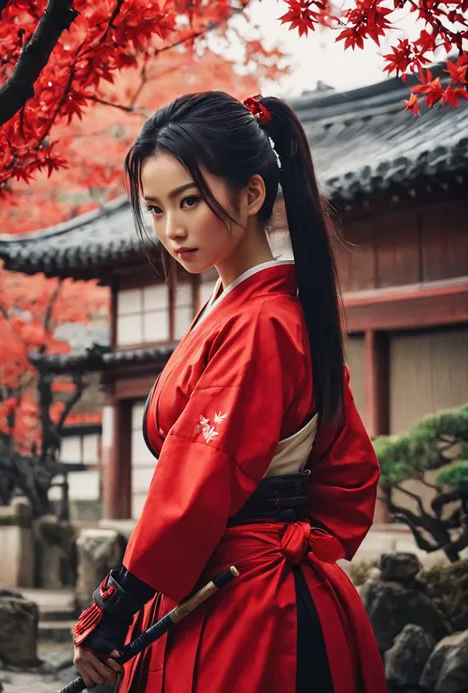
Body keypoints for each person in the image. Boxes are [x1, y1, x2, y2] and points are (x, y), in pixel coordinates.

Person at [72, 92, 387, 693]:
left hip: (249, 609)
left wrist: (111, 610)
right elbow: (348, 476)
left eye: (189, 201)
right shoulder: (255, 308)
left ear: (251, 194)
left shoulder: (260, 321)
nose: (172, 229)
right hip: (239, 583)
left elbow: (197, 483)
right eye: (156, 209)